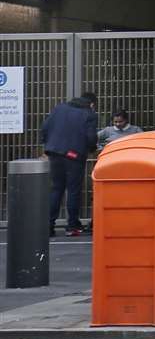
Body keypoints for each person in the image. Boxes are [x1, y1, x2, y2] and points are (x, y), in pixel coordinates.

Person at [41, 91, 98, 236]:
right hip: (74, 155)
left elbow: (45, 128)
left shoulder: (59, 108)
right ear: (92, 104)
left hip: (54, 152)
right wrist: (91, 149)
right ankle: (72, 225)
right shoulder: (89, 114)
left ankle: (48, 225)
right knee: (73, 190)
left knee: (56, 189)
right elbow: (91, 137)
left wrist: (49, 144)